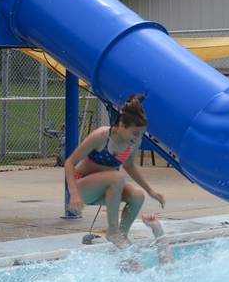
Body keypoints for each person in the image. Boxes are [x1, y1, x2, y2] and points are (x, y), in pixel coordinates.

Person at [64, 94, 166, 248]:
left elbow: (129, 166)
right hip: (82, 187)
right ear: (121, 126)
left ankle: (121, 237)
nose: (138, 139)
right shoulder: (101, 136)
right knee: (117, 177)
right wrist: (74, 194)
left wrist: (150, 191)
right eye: (135, 133)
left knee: (138, 196)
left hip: (106, 191)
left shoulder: (131, 143)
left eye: (141, 134)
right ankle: (113, 231)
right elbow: (70, 162)